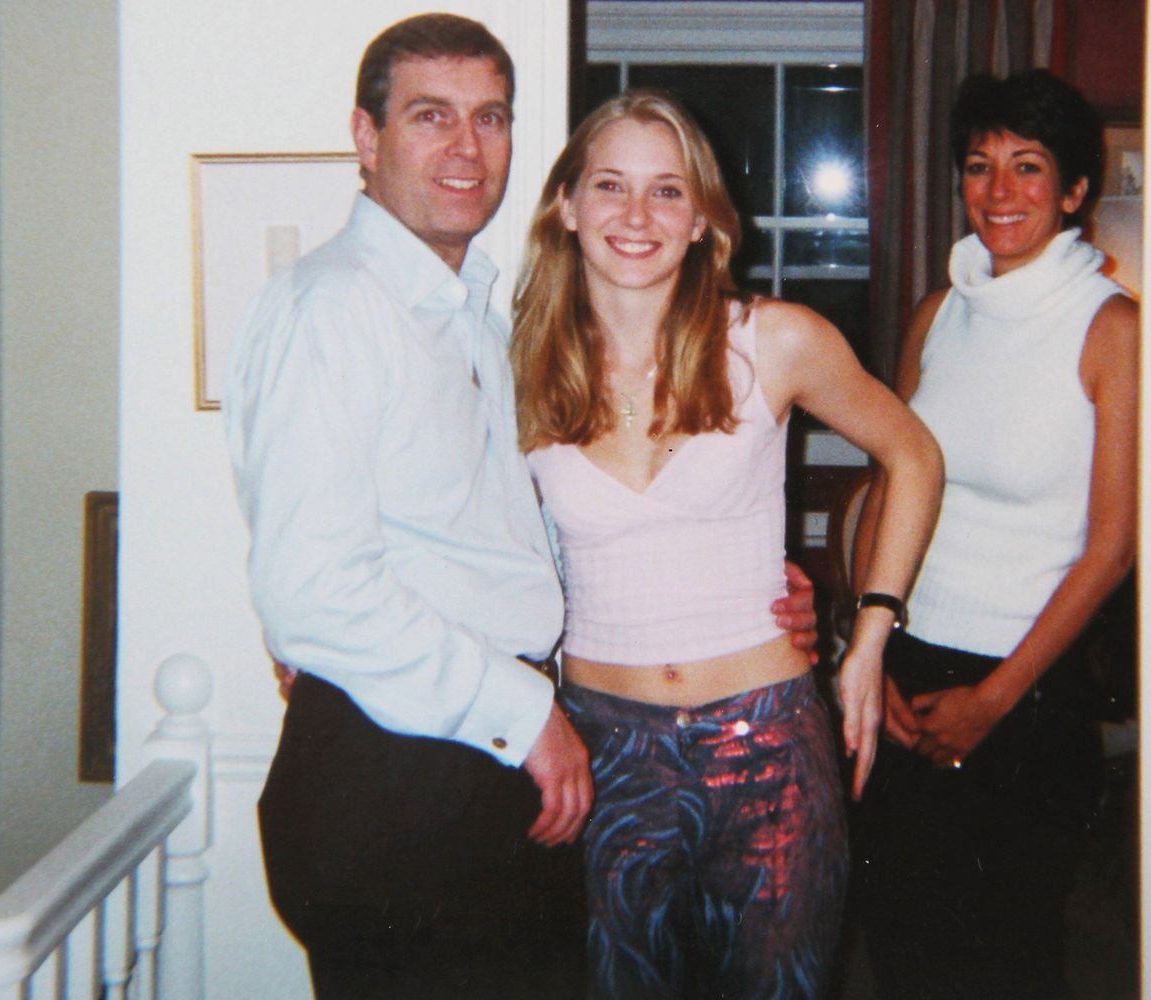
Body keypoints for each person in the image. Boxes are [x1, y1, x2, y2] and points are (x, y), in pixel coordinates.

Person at [222, 16, 818, 998]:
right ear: (367, 138)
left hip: (479, 766)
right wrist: (525, 712)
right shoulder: (334, 307)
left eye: (490, 118)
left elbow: (507, 537)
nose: (467, 147)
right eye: (431, 116)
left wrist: (745, 583)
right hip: (401, 774)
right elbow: (313, 590)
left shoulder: (474, 317)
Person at [511, 91, 944, 999]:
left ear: (703, 219)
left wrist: (869, 636)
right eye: (611, 186)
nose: (637, 215)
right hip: (601, 750)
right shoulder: (518, 365)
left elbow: (913, 454)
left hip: (770, 748)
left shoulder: (774, 341)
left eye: (668, 191)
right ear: (567, 205)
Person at [849, 69, 1140, 1000]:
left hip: (1029, 689)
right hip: (906, 665)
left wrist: (997, 699)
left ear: (1074, 190)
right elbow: (888, 486)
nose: (999, 190)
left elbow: (1113, 545)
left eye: (1028, 166)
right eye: (979, 166)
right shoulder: (938, 314)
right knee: (901, 945)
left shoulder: (1112, 329)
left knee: (1007, 961)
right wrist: (870, 652)